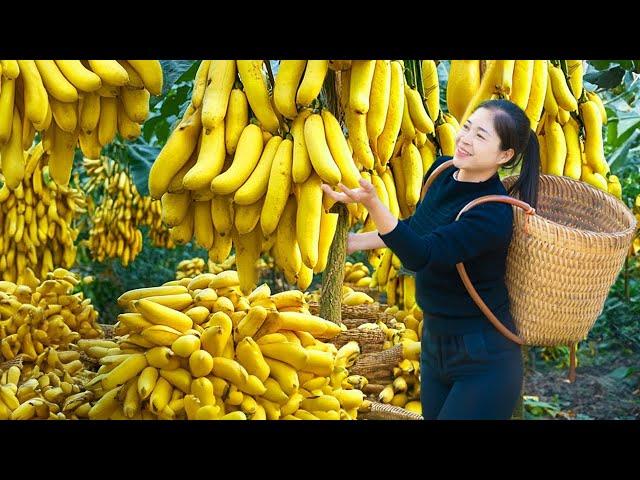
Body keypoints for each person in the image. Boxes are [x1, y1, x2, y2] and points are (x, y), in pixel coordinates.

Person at [321, 99, 541, 420]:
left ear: (504, 156)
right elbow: (418, 230)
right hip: (435, 344)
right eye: (466, 127)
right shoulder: (441, 171)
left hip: (483, 357)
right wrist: (353, 243)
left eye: (480, 136)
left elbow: (423, 255)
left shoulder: (492, 213)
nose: (465, 139)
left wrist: (373, 203)